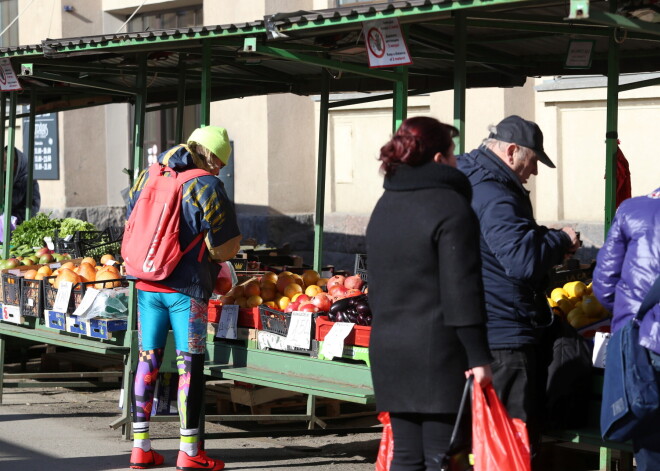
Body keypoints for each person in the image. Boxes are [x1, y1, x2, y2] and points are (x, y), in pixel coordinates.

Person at [366, 117, 493, 470]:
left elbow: (375, 286)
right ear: (439, 159)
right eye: (453, 154)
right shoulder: (451, 208)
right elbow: (461, 290)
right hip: (438, 352)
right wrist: (478, 356)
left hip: (389, 348)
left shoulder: (384, 205)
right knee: (443, 456)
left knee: (406, 456)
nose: (458, 161)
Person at [455, 115, 580, 452]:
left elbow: (497, 245)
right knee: (509, 445)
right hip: (504, 333)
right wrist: (557, 241)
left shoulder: (471, 176)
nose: (535, 171)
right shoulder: (495, 194)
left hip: (480, 323)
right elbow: (522, 262)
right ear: (511, 151)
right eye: (533, 160)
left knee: (490, 444)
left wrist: (544, 238)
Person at [126, 126, 241, 471]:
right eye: (219, 161)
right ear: (208, 154)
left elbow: (133, 214)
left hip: (146, 284)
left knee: (147, 358)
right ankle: (190, 452)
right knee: (189, 365)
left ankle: (140, 448)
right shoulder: (206, 185)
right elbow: (225, 244)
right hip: (186, 290)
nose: (219, 169)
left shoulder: (148, 174)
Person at [591, 186, 660, 471]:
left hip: (645, 341)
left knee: (651, 440)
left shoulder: (632, 210)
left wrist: (627, 313)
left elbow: (605, 285)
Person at [2, 147, 41, 225]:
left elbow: (33, 207)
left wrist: (11, 218)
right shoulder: (3, 176)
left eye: (8, 163)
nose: (6, 167)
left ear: (18, 163)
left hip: (16, 226)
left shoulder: (29, 181)